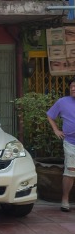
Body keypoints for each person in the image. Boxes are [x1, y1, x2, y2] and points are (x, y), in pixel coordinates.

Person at [45, 80, 75, 211]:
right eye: (72, 86)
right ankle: (65, 199)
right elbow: (50, 115)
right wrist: (56, 130)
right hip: (70, 142)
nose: (73, 88)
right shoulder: (62, 102)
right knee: (71, 170)